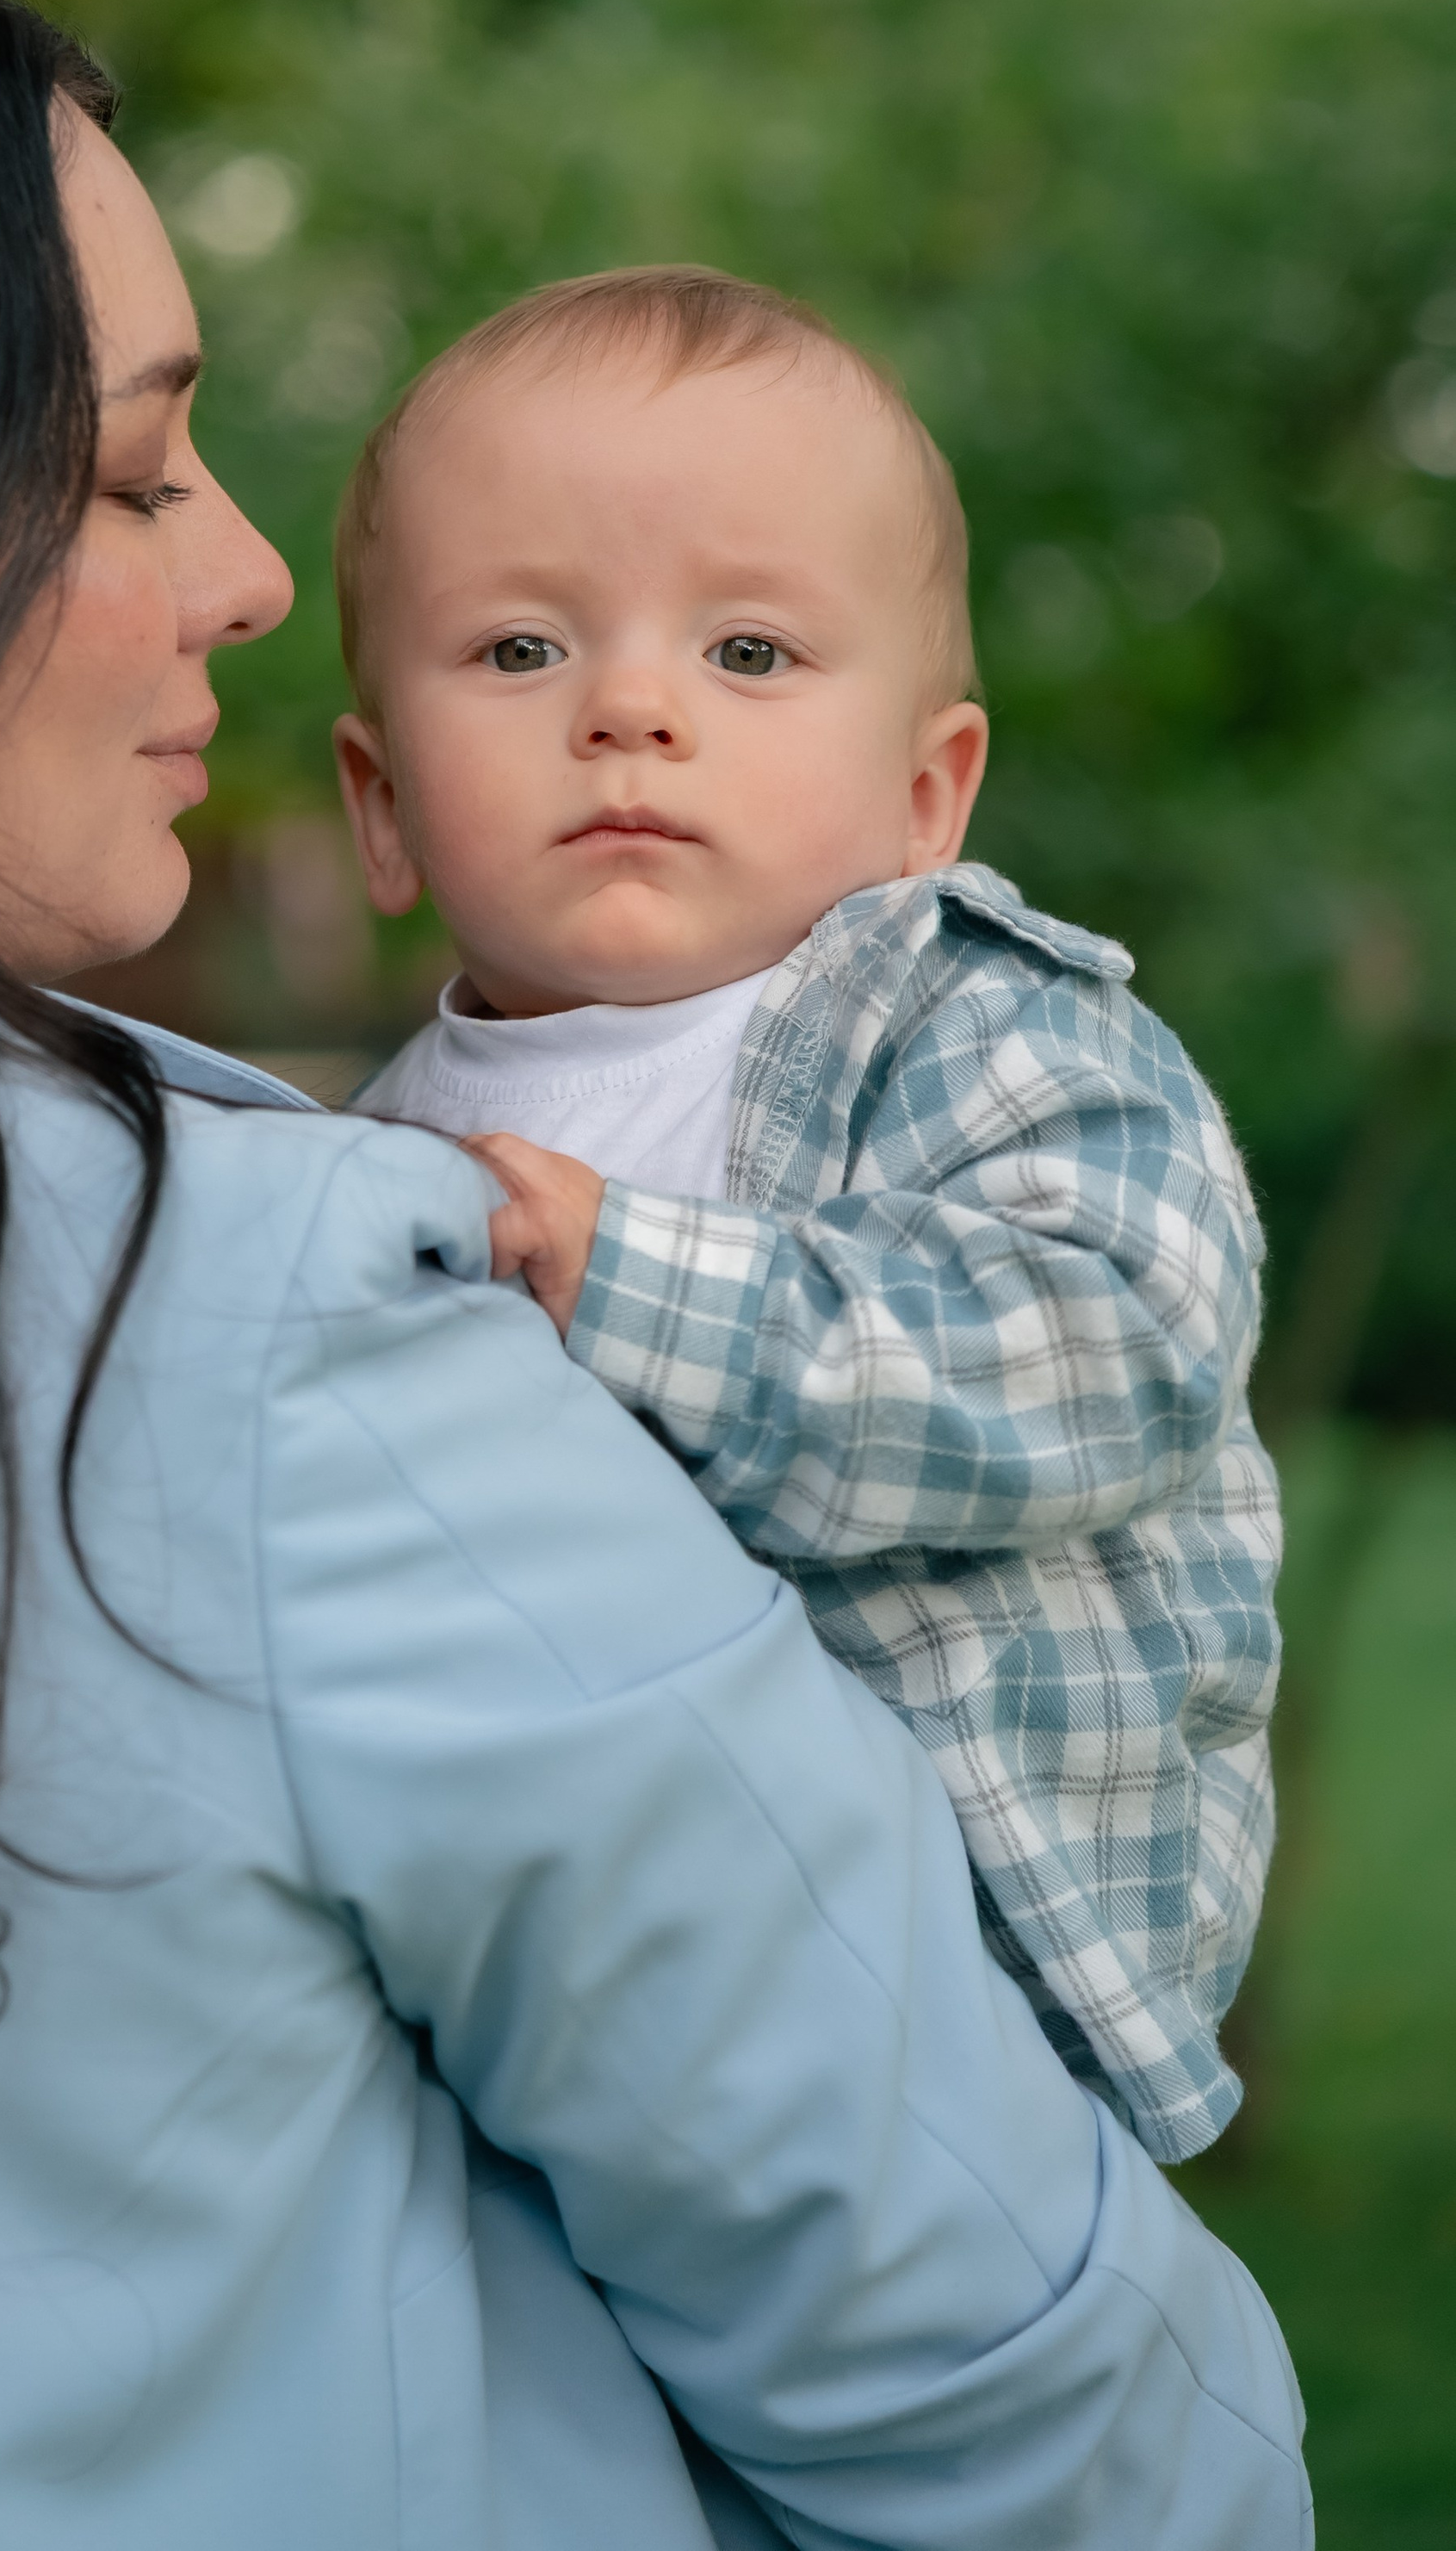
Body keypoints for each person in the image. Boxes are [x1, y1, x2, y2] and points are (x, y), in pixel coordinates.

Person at [0, 0, 1305, 2551]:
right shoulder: (257, 1317)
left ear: (935, 778)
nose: (235, 568)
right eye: (128, 474)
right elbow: (1059, 2416)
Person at [333, 265, 1281, 2169]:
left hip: (957, 2007)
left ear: (926, 793)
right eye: (518, 651)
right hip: (559, 2020)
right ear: (377, 806)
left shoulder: (960, 1022)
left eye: (745, 655)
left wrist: (633, 1285)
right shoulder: (372, 1150)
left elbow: (1106, 1351)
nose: (625, 711)